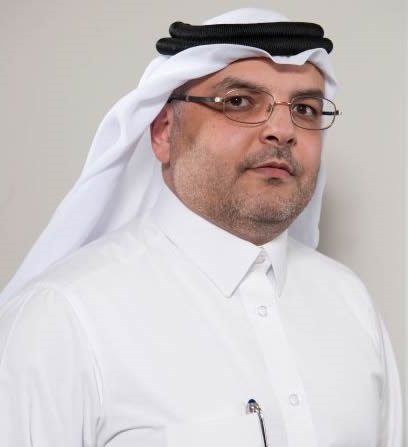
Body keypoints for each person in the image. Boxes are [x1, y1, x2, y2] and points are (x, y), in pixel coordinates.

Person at [0, 7, 402, 447]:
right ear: (163, 131)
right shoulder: (62, 320)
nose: (282, 130)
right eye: (239, 102)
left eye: (304, 109)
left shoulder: (350, 303)